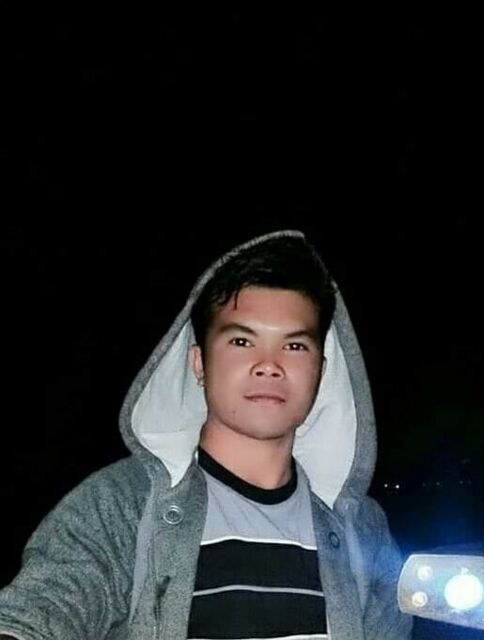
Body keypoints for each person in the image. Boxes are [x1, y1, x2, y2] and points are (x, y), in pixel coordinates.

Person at [0, 230, 413, 639]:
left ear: (320, 371)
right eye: (242, 341)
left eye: (294, 346)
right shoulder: (123, 504)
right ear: (199, 363)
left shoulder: (362, 529)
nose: (269, 366)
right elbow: (35, 614)